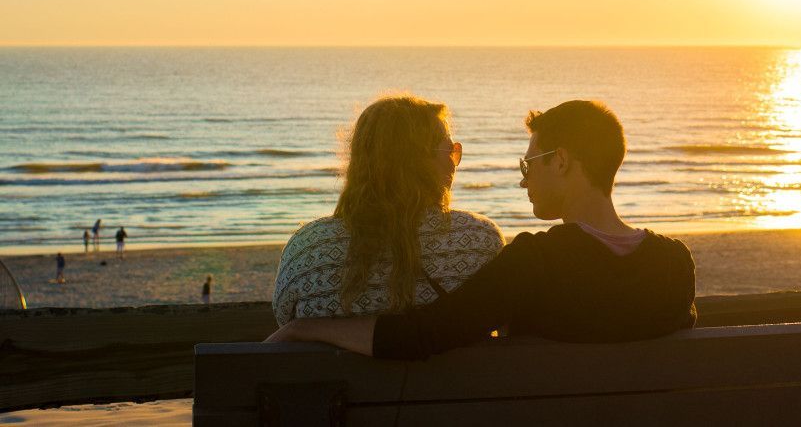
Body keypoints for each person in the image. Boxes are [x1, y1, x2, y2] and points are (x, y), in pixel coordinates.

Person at [267, 100, 696, 359]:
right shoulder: (675, 264)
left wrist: (307, 328)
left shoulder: (533, 263)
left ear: (561, 161)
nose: (523, 179)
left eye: (529, 164)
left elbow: (422, 335)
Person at [271, 95, 504, 327]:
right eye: (450, 151)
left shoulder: (308, 248)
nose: (455, 162)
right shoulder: (481, 241)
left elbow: (284, 321)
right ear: (422, 161)